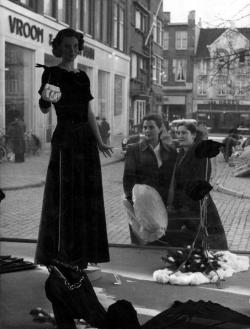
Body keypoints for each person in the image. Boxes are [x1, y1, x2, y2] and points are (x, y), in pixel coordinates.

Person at [35, 28, 113, 325]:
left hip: (85, 144)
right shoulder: (52, 74)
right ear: (58, 47)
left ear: (79, 48)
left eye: (74, 45)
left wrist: (100, 141)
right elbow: (44, 108)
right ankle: (64, 256)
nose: (70, 49)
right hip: (66, 141)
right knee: (66, 199)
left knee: (85, 200)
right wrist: (47, 93)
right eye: (65, 45)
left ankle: (79, 258)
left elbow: (89, 111)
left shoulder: (82, 76)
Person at [171, 121, 228, 250]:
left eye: (184, 133)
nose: (180, 136)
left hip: (198, 205)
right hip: (183, 204)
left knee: (205, 242)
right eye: (178, 133)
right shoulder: (181, 153)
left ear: (193, 134)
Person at [123, 113, 177, 245]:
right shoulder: (134, 150)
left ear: (160, 129)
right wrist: (132, 202)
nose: (147, 130)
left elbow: (172, 179)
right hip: (141, 203)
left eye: (151, 127)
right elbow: (128, 178)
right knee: (141, 240)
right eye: (145, 127)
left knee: (160, 240)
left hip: (162, 203)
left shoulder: (170, 151)